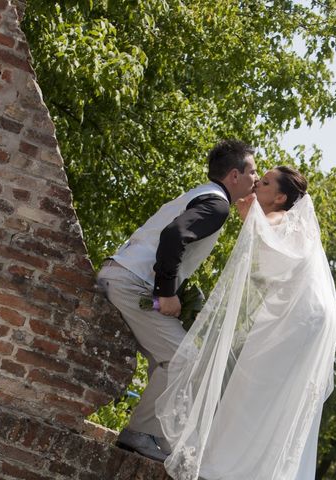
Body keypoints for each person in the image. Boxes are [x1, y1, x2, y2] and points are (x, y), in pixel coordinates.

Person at [156, 166, 336, 480]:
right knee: (275, 395)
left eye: (265, 183)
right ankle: (251, 467)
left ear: (280, 197)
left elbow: (265, 235)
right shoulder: (297, 228)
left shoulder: (277, 217)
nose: (257, 184)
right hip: (308, 318)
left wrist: (248, 216)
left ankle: (224, 465)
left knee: (251, 382)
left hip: (296, 319)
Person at [97, 140, 258, 461]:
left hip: (121, 274)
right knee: (186, 359)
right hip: (132, 284)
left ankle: (156, 435)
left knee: (170, 358)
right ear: (235, 175)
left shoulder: (201, 194)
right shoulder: (217, 205)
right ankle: (138, 433)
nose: (256, 177)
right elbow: (173, 236)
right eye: (253, 172)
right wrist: (166, 293)